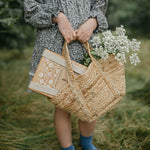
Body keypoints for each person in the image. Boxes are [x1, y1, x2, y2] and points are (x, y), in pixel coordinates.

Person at [23, 0, 108, 149]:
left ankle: (87, 144)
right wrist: (58, 17)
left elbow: (99, 4)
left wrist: (92, 21)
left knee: (91, 100)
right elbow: (31, 9)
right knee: (62, 103)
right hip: (56, 48)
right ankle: (67, 147)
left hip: (85, 46)